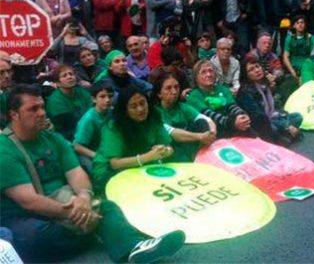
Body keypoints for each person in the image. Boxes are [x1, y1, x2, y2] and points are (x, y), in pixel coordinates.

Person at [0, 84, 186, 263]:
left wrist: (84, 198)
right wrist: (77, 213)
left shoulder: (53, 139)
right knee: (33, 236)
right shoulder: (5, 148)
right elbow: (28, 201)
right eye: (33, 109)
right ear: (14, 114)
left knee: (108, 207)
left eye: (42, 106)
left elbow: (77, 174)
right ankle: (97, 232)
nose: (42, 113)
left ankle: (134, 248)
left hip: (66, 202)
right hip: (25, 214)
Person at [92, 86, 177, 191]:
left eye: (142, 103)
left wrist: (164, 151)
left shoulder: (154, 117)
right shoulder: (114, 126)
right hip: (109, 171)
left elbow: (169, 147)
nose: (140, 109)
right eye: (133, 106)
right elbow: (115, 163)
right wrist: (148, 157)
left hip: (141, 165)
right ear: (125, 110)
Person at [236, 58, 303, 146]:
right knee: (272, 127)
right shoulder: (246, 91)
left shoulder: (264, 85)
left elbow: (273, 109)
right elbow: (259, 117)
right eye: (251, 69)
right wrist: (286, 126)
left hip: (271, 117)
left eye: (257, 66)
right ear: (246, 75)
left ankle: (283, 136)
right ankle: (284, 135)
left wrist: (282, 116)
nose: (257, 70)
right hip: (260, 124)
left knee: (298, 117)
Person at [152, 73, 216, 161]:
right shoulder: (155, 112)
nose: (174, 91)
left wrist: (211, 133)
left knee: (202, 122)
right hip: (170, 147)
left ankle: (202, 156)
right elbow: (172, 133)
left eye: (176, 87)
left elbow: (207, 119)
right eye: (168, 88)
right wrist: (201, 136)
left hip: (188, 143)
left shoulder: (182, 107)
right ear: (159, 94)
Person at [185, 60, 252, 138]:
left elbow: (232, 106)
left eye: (211, 71)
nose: (209, 74)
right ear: (196, 78)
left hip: (231, 124)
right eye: (203, 72)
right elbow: (209, 115)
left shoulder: (223, 89)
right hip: (212, 130)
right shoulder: (193, 96)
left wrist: (241, 115)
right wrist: (232, 123)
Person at [45, 64, 93, 141]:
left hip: (88, 130)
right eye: (64, 75)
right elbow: (68, 124)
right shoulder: (55, 101)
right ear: (58, 83)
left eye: (71, 74)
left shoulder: (82, 92)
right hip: (67, 137)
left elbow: (93, 112)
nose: (69, 77)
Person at [73, 82, 114, 172]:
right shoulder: (89, 119)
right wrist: (98, 157)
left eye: (110, 96)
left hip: (106, 151)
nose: (107, 100)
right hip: (89, 154)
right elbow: (78, 147)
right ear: (94, 99)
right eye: (102, 96)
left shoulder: (112, 112)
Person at [283, 15, 314, 83]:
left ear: (305, 25)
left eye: (302, 22)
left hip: (307, 66)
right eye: (297, 23)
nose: (300, 25)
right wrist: (293, 72)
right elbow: (285, 57)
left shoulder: (311, 38)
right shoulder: (289, 38)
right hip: (293, 67)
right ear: (294, 26)